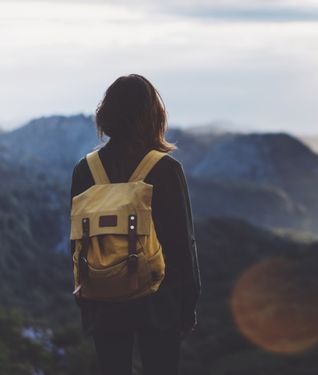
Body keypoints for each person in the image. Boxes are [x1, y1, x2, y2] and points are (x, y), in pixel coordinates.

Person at [69, 74, 201, 375]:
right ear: (154, 116)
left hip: (102, 297)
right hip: (158, 300)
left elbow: (76, 242)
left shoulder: (85, 169)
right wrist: (188, 304)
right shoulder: (166, 169)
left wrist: (85, 296)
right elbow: (182, 242)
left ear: (107, 114)